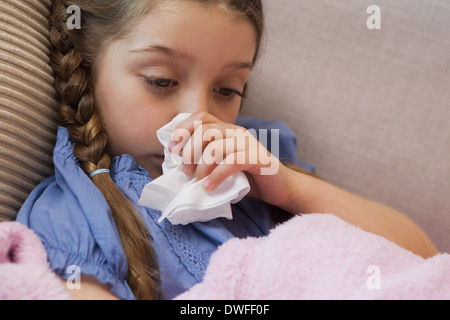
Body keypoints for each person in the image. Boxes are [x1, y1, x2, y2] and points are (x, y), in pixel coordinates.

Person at [17, 0, 438, 300]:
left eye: (226, 90)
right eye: (162, 80)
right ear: (87, 70)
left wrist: (290, 189)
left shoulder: (259, 160)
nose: (198, 116)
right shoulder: (76, 217)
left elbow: (423, 256)